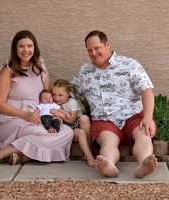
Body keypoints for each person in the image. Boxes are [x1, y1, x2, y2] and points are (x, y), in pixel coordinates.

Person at [70, 30, 157, 178]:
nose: (94, 53)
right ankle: (108, 165)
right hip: (104, 120)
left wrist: (148, 117)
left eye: (97, 48)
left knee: (143, 135)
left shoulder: (129, 64)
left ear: (107, 44)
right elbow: (70, 93)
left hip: (133, 116)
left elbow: (146, 91)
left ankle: (144, 162)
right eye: (89, 50)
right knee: (108, 141)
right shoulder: (85, 72)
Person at [0, 30, 74, 167]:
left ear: (35, 48)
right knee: (41, 133)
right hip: (12, 120)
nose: (26, 50)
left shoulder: (40, 69)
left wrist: (57, 115)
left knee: (67, 132)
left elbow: (47, 98)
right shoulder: (8, 71)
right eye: (21, 46)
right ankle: (0, 154)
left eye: (29, 46)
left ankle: (25, 157)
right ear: (15, 48)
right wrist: (25, 114)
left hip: (39, 119)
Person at [50, 79, 95, 167]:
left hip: (76, 123)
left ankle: (90, 150)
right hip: (67, 129)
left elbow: (72, 120)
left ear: (68, 94)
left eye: (60, 95)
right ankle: (89, 156)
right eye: (54, 95)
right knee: (81, 133)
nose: (56, 98)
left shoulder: (72, 102)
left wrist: (61, 115)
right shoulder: (53, 103)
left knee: (84, 118)